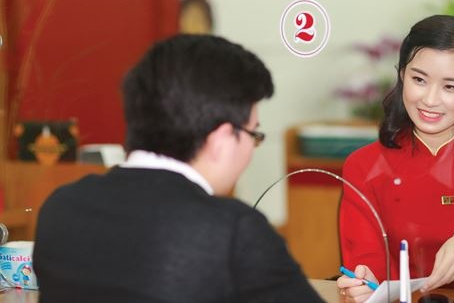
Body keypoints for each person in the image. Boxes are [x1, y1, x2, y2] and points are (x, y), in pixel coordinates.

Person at [33, 34, 324, 303]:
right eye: (254, 134)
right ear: (222, 138)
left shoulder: (60, 208)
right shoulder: (232, 231)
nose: (252, 149)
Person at [337, 15, 454, 301]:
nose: (430, 99)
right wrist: (365, 281)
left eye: (450, 87)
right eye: (419, 80)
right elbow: (365, 255)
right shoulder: (363, 165)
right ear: (402, 74)